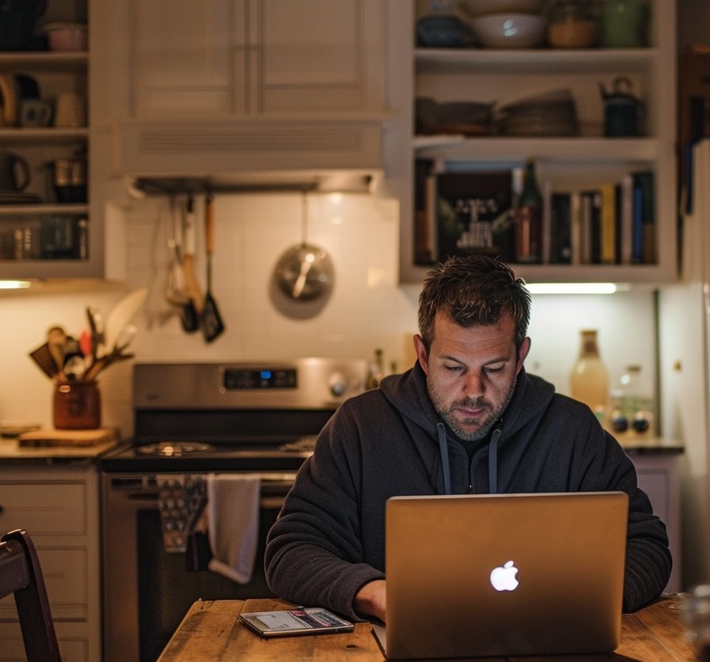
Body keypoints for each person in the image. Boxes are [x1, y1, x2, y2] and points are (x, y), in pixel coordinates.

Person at [265, 254, 671, 622]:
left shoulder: (572, 431)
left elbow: (646, 546)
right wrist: (377, 595)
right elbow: (291, 549)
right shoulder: (360, 427)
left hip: (550, 654)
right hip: (392, 661)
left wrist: (576, 599)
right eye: (454, 367)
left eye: (494, 368)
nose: (474, 390)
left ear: (521, 356)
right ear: (423, 356)